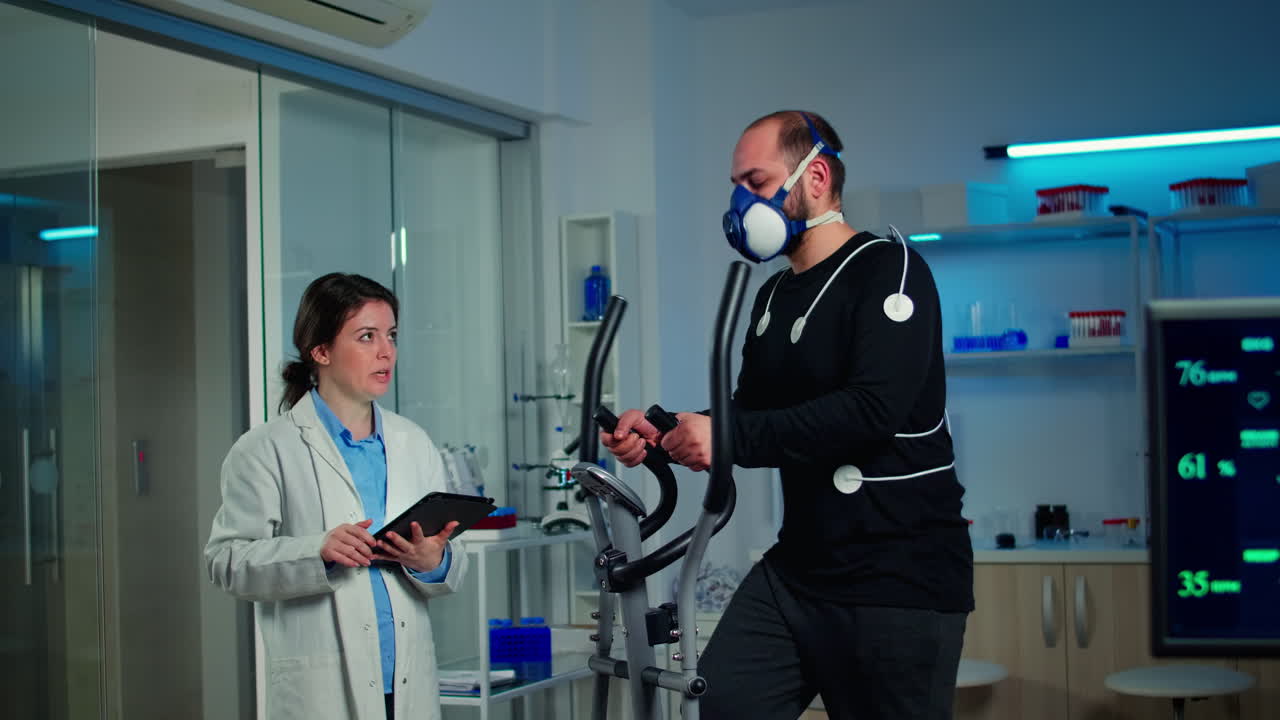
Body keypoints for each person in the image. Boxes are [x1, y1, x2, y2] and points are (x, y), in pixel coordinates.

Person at [602, 110, 973, 719]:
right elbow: (753, 412)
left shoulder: (888, 269)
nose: (740, 201)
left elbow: (870, 412)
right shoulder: (774, 293)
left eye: (755, 181)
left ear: (816, 176)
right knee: (717, 707)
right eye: (737, 186)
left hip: (899, 577)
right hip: (801, 571)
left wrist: (725, 437)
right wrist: (670, 429)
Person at [206, 272, 467, 720]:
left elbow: (450, 557)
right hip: (320, 689)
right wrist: (317, 551)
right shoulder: (266, 449)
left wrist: (433, 560)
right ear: (321, 351)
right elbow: (226, 562)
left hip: (406, 680)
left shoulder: (413, 442)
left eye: (391, 335)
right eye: (366, 337)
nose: (386, 351)